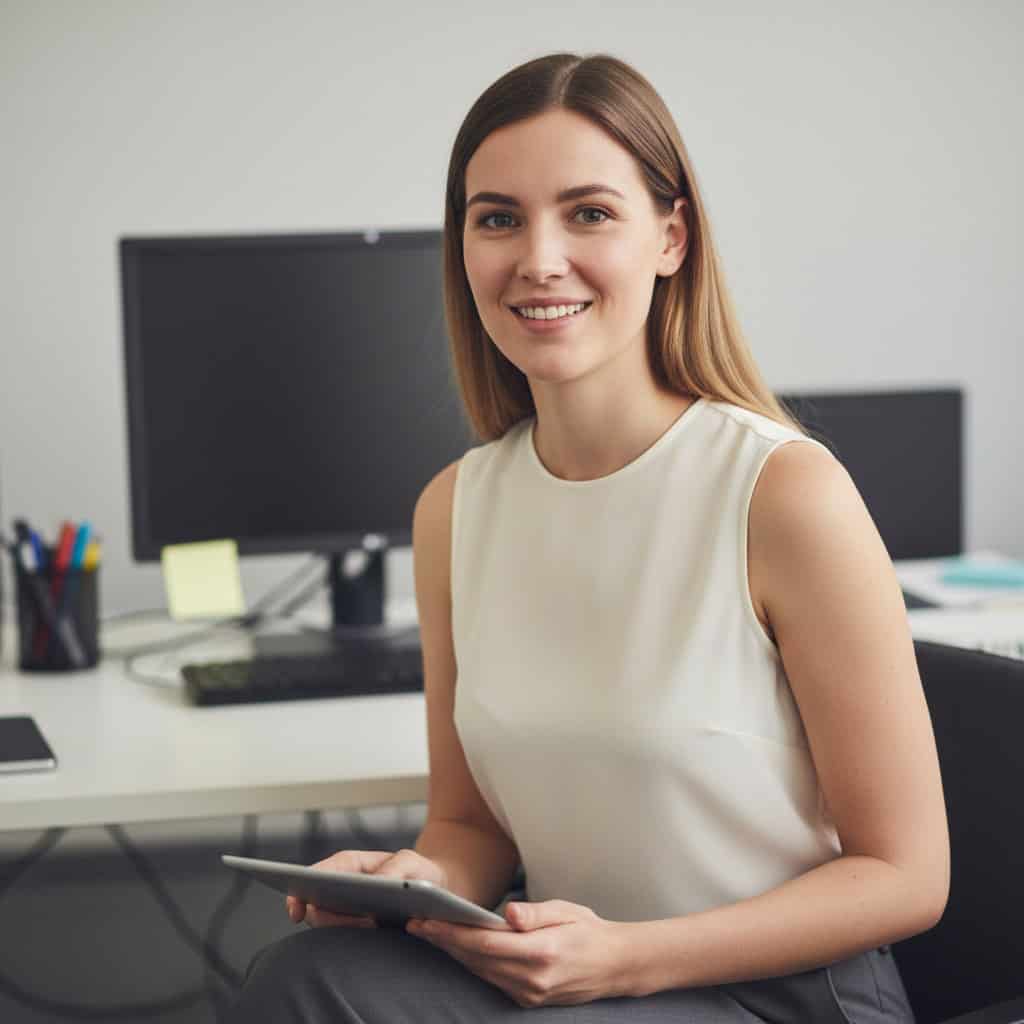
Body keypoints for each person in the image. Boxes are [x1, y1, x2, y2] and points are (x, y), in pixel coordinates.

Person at [229, 52, 949, 1022]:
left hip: (778, 995)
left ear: (670, 236)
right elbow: (470, 822)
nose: (537, 257)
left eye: (588, 212)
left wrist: (627, 960)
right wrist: (414, 876)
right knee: (300, 979)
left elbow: (905, 876)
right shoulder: (456, 506)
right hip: (573, 981)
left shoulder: (782, 491)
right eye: (497, 218)